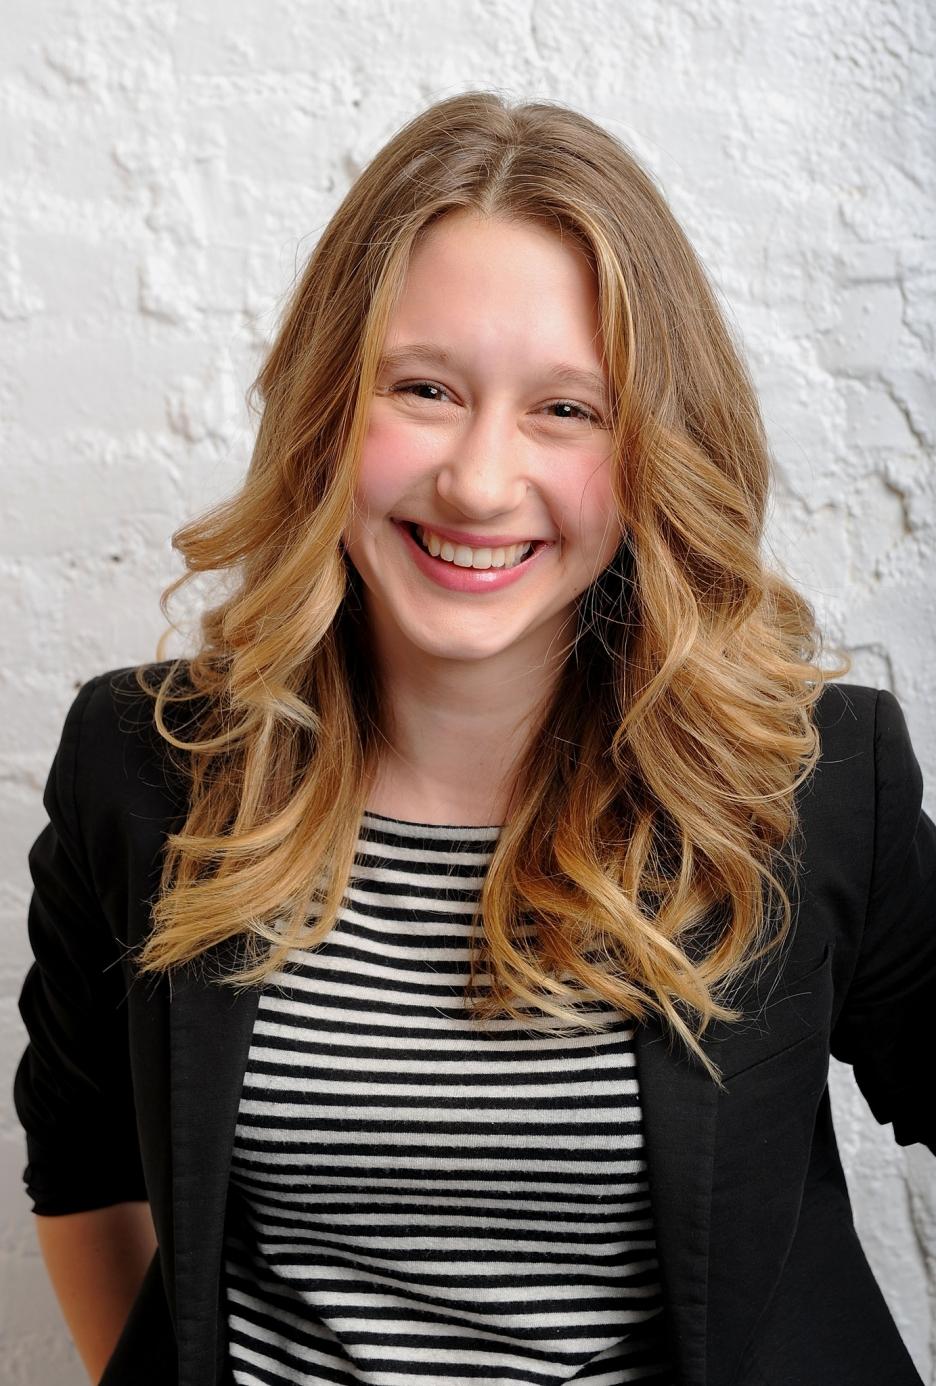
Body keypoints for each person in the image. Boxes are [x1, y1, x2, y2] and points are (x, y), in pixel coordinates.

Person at [13, 89, 935, 1386]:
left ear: (653, 451)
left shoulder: (814, 785)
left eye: (567, 409)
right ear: (329, 405)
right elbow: (83, 1165)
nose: (480, 481)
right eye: (425, 389)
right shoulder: (141, 766)